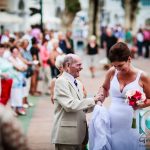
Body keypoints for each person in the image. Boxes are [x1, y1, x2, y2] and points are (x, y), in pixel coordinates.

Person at [91, 42, 150, 150]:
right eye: (114, 65)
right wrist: (100, 97)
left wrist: (140, 104)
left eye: (120, 65)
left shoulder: (142, 76)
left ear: (129, 59)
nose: (117, 69)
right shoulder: (111, 72)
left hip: (133, 122)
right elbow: (104, 87)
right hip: (113, 120)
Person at [51, 54, 101, 150]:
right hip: (67, 136)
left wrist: (97, 101)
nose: (81, 67)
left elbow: (82, 108)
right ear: (68, 65)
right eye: (78, 65)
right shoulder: (61, 81)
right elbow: (69, 105)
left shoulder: (78, 82)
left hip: (79, 134)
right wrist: (92, 100)